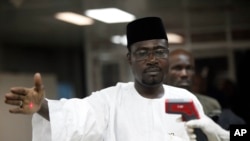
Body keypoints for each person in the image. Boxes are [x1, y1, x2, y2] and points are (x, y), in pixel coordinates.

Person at [4, 17, 229, 141]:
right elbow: (73, 117)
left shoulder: (184, 99)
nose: (152, 59)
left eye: (159, 51)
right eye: (142, 53)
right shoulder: (111, 101)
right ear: (129, 58)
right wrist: (40, 105)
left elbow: (206, 136)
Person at [164, 48, 222, 118]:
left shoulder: (210, 105)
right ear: (165, 73)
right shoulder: (155, 105)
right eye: (178, 68)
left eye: (189, 68)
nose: (184, 74)